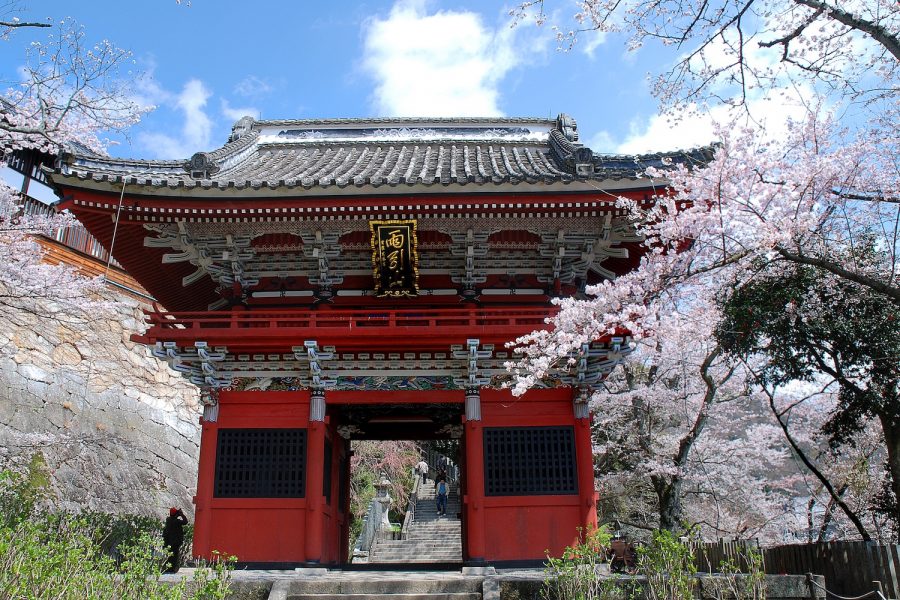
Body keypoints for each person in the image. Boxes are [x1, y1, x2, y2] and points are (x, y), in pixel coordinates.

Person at [163, 507, 188, 573]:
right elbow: (185, 522)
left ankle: (168, 569)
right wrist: (182, 514)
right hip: (175, 542)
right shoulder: (176, 521)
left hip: (169, 541)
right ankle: (171, 570)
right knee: (174, 557)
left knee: (170, 556)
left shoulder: (168, 520)